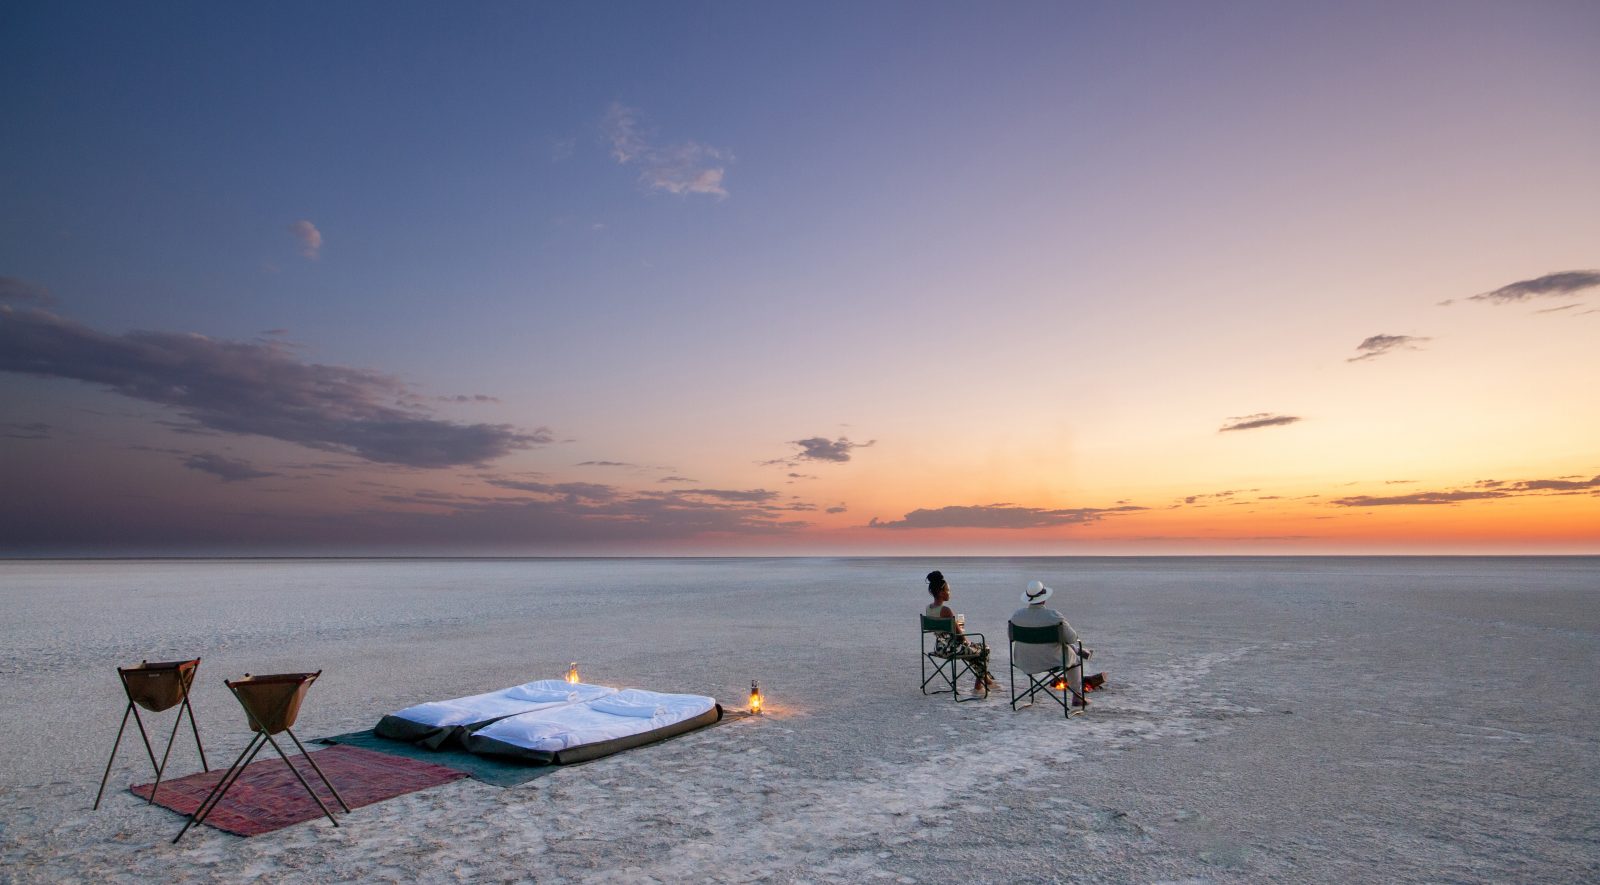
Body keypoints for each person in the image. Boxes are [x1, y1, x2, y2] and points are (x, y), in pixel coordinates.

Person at [1009, 579, 1090, 706]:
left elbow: (1010, 637)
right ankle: (1077, 696)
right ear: (1044, 598)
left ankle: (1076, 650)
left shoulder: (1016, 616)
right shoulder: (1054, 616)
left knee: (1065, 647)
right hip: (1052, 661)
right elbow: (1072, 638)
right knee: (1075, 660)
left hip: (1023, 661)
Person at [924, 570, 999, 695]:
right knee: (984, 648)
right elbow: (960, 636)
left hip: (939, 647)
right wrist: (966, 641)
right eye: (948, 590)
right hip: (951, 648)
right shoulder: (946, 610)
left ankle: (986, 679)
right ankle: (978, 686)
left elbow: (944, 631)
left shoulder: (928, 608)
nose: (949, 593)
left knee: (973, 652)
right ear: (941, 593)